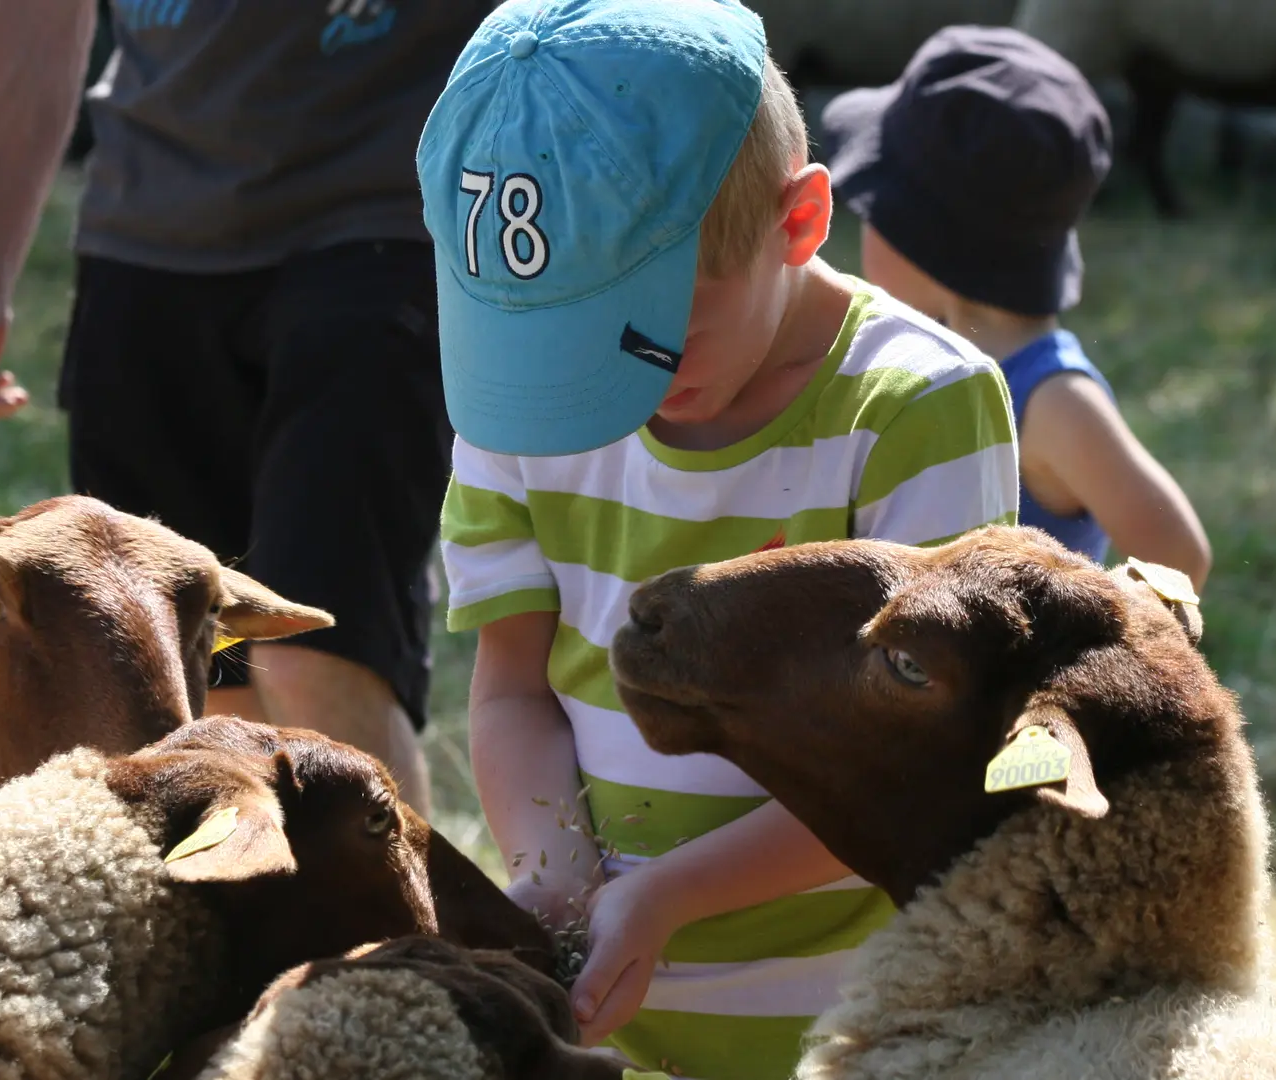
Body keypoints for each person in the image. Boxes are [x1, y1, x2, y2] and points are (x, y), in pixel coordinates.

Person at [422, 1, 1020, 1075]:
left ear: (798, 224)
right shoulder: (526, 406)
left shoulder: (914, 411)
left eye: (648, 339)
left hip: (853, 1024)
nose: (596, 390)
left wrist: (669, 895)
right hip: (613, 1027)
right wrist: (553, 874)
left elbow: (923, 759)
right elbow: (512, 685)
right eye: (547, 342)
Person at [0, 0, 504, 816]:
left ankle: (396, 940)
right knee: (188, 680)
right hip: (148, 234)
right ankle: (239, 943)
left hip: (388, 208)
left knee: (318, 651)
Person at [821, 25, 1213, 592]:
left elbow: (1179, 553)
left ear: (926, 239)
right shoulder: (914, 362)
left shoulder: (1049, 401)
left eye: (870, 204)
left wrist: (1085, 653)